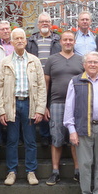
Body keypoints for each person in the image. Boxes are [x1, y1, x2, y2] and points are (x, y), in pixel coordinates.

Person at [63, 51, 98, 193]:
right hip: (83, 128)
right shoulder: (75, 81)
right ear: (84, 65)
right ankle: (86, 192)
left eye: (95, 62)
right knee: (85, 164)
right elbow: (69, 106)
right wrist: (72, 130)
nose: (93, 64)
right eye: (90, 62)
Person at [0, 28, 47, 186]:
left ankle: (31, 171)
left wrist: (40, 109)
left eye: (22, 38)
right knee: (11, 140)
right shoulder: (5, 62)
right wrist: (1, 110)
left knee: (30, 140)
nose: (19, 41)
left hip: (28, 104)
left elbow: (41, 87)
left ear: (26, 41)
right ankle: (11, 171)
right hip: (11, 104)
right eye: (16, 38)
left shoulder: (34, 60)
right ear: (11, 42)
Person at [44, 31, 84, 185]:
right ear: (60, 42)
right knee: (56, 138)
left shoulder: (81, 60)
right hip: (56, 103)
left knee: (76, 139)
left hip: (77, 105)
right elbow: (46, 84)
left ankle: (78, 171)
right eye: (65, 39)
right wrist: (45, 106)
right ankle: (55, 172)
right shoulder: (52, 60)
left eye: (71, 40)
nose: (68, 42)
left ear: (74, 42)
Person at [27, 12, 62, 147]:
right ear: (38, 25)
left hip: (54, 77)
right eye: (42, 22)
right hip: (36, 77)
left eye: (47, 21)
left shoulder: (57, 40)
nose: (45, 24)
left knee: (51, 104)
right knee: (40, 105)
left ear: (51, 24)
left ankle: (55, 134)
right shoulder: (31, 41)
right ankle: (44, 135)